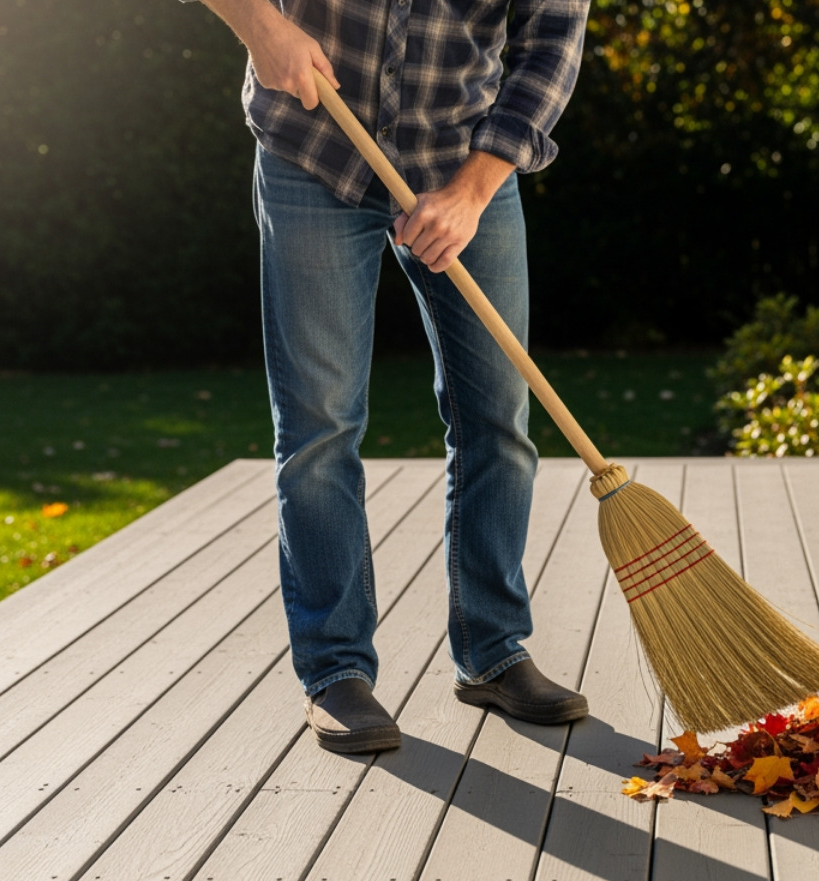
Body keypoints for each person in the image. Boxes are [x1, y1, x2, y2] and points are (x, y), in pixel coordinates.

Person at [183, 0, 592, 752]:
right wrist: (261, 26)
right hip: (315, 147)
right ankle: (335, 671)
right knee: (319, 427)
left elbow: (552, 45)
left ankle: (494, 652)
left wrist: (473, 189)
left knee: (497, 423)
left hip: (464, 166)